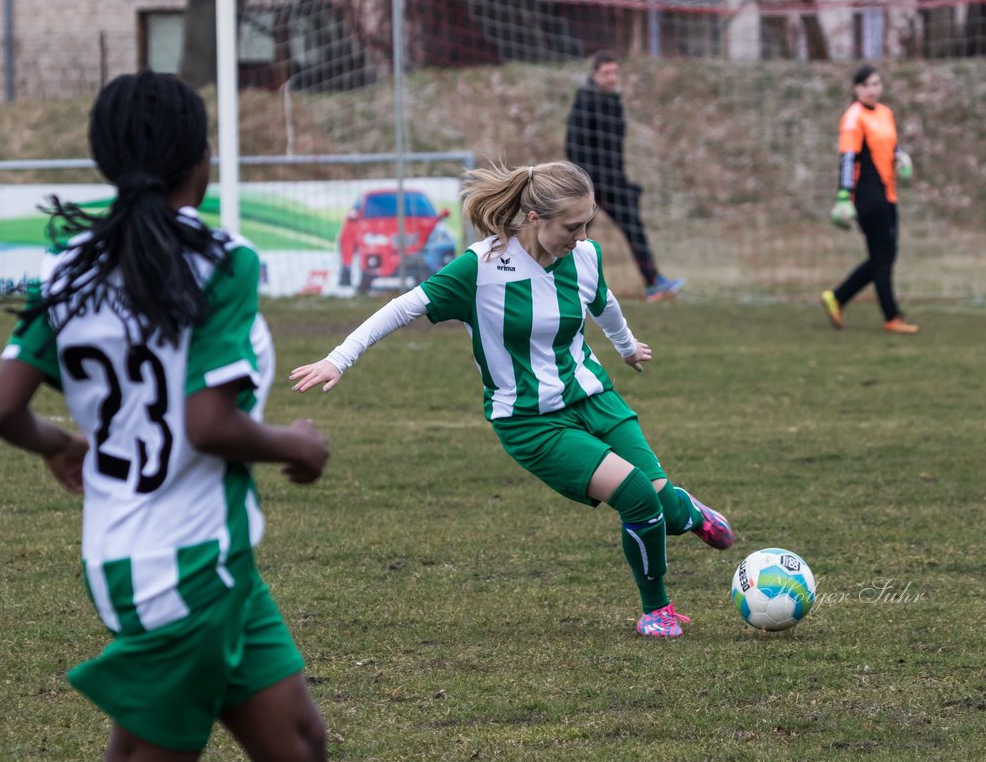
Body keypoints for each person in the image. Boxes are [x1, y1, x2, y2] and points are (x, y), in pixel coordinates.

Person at [0, 70, 333, 762]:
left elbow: (1, 408)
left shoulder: (70, 265)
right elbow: (209, 425)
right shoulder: (221, 259)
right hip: (184, 567)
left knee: (297, 754)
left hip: (165, 552)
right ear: (200, 159)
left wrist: (57, 444)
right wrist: (296, 443)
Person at [289, 161, 734, 638]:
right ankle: (657, 610)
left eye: (587, 224)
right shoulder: (479, 268)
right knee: (636, 495)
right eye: (571, 226)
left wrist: (626, 347)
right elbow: (404, 307)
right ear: (535, 217)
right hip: (530, 422)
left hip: (595, 398)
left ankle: (684, 511)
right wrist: (339, 358)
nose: (581, 237)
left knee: (661, 510)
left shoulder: (584, 256)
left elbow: (603, 302)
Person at [565, 50, 684, 302]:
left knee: (634, 229)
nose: (611, 77)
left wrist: (623, 183)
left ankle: (654, 283)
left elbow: (613, 150)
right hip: (591, 185)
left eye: (614, 72)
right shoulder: (585, 101)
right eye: (606, 73)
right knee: (572, 235)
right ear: (595, 75)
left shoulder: (614, 101)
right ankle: (551, 279)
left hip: (614, 182)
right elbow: (574, 147)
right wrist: (589, 185)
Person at [821, 63, 918, 334]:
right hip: (867, 194)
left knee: (883, 255)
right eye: (867, 85)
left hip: (888, 192)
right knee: (883, 256)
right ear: (856, 88)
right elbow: (848, 158)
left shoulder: (886, 113)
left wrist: (902, 158)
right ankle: (892, 316)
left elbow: (891, 146)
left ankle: (838, 297)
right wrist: (843, 196)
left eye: (877, 84)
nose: (873, 90)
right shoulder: (853, 118)